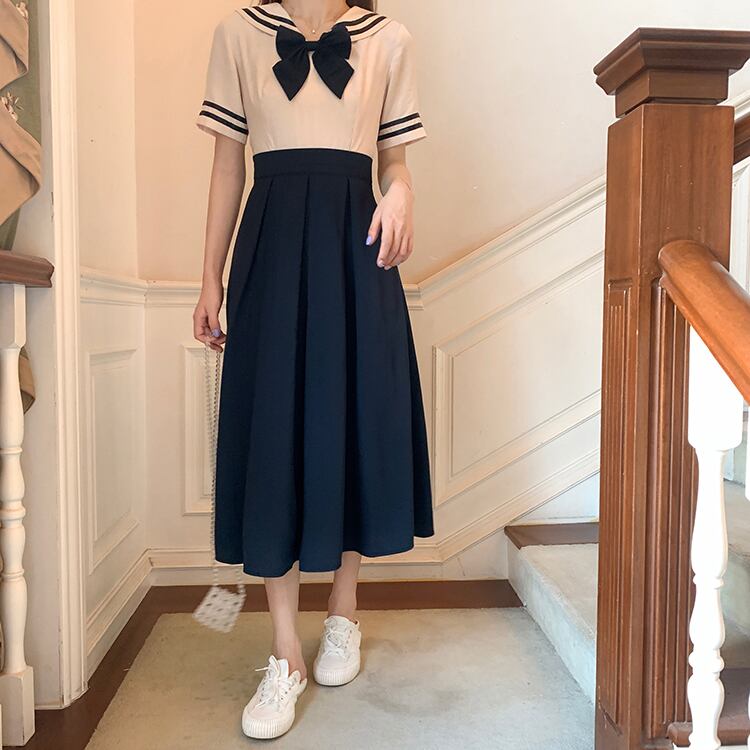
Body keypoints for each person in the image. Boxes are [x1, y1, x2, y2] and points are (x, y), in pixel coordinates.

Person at [193, 0, 434, 739]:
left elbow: (395, 162)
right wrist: (209, 278)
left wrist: (401, 192)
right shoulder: (238, 35)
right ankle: (284, 653)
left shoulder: (388, 40)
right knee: (275, 437)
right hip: (270, 253)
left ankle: (343, 614)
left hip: (355, 252)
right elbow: (227, 165)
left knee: (354, 419)